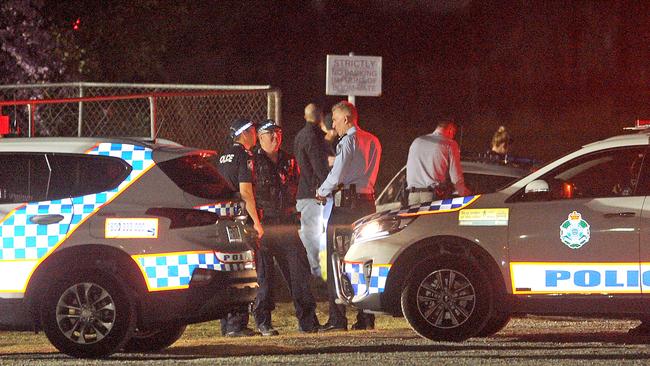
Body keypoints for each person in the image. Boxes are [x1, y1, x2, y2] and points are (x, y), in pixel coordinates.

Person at [316, 101, 381, 331]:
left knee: (336, 258)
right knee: (365, 258)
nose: (333, 125)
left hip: (346, 206)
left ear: (346, 119)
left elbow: (337, 174)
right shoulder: (373, 140)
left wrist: (321, 191)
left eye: (334, 120)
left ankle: (337, 318)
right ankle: (366, 317)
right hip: (368, 203)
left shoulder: (348, 141)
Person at [252, 119, 320, 335]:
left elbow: (295, 185)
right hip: (264, 225)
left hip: (287, 223)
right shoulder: (253, 161)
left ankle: (308, 321)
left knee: (299, 272)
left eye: (278, 134)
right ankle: (263, 321)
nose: (275, 138)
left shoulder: (289, 160)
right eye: (270, 135)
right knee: (265, 276)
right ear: (260, 137)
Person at [217, 118, 263, 337]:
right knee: (244, 270)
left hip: (224, 220)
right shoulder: (244, 156)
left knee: (229, 270)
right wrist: (256, 222)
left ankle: (227, 324)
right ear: (244, 134)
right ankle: (237, 324)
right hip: (240, 220)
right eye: (253, 131)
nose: (255, 134)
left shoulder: (224, 156)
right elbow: (245, 192)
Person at [294, 103, 330, 279]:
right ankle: (316, 273)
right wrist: (327, 186)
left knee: (310, 234)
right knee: (314, 236)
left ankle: (314, 272)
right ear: (321, 116)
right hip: (313, 194)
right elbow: (319, 167)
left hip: (305, 192)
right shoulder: (313, 138)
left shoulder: (301, 136)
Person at [406, 119, 470, 206]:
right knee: (432, 220)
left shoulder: (417, 141)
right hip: (432, 197)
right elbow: (455, 176)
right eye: (453, 134)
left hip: (412, 196)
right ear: (451, 130)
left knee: (418, 220)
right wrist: (464, 193)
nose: (452, 136)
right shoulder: (449, 144)